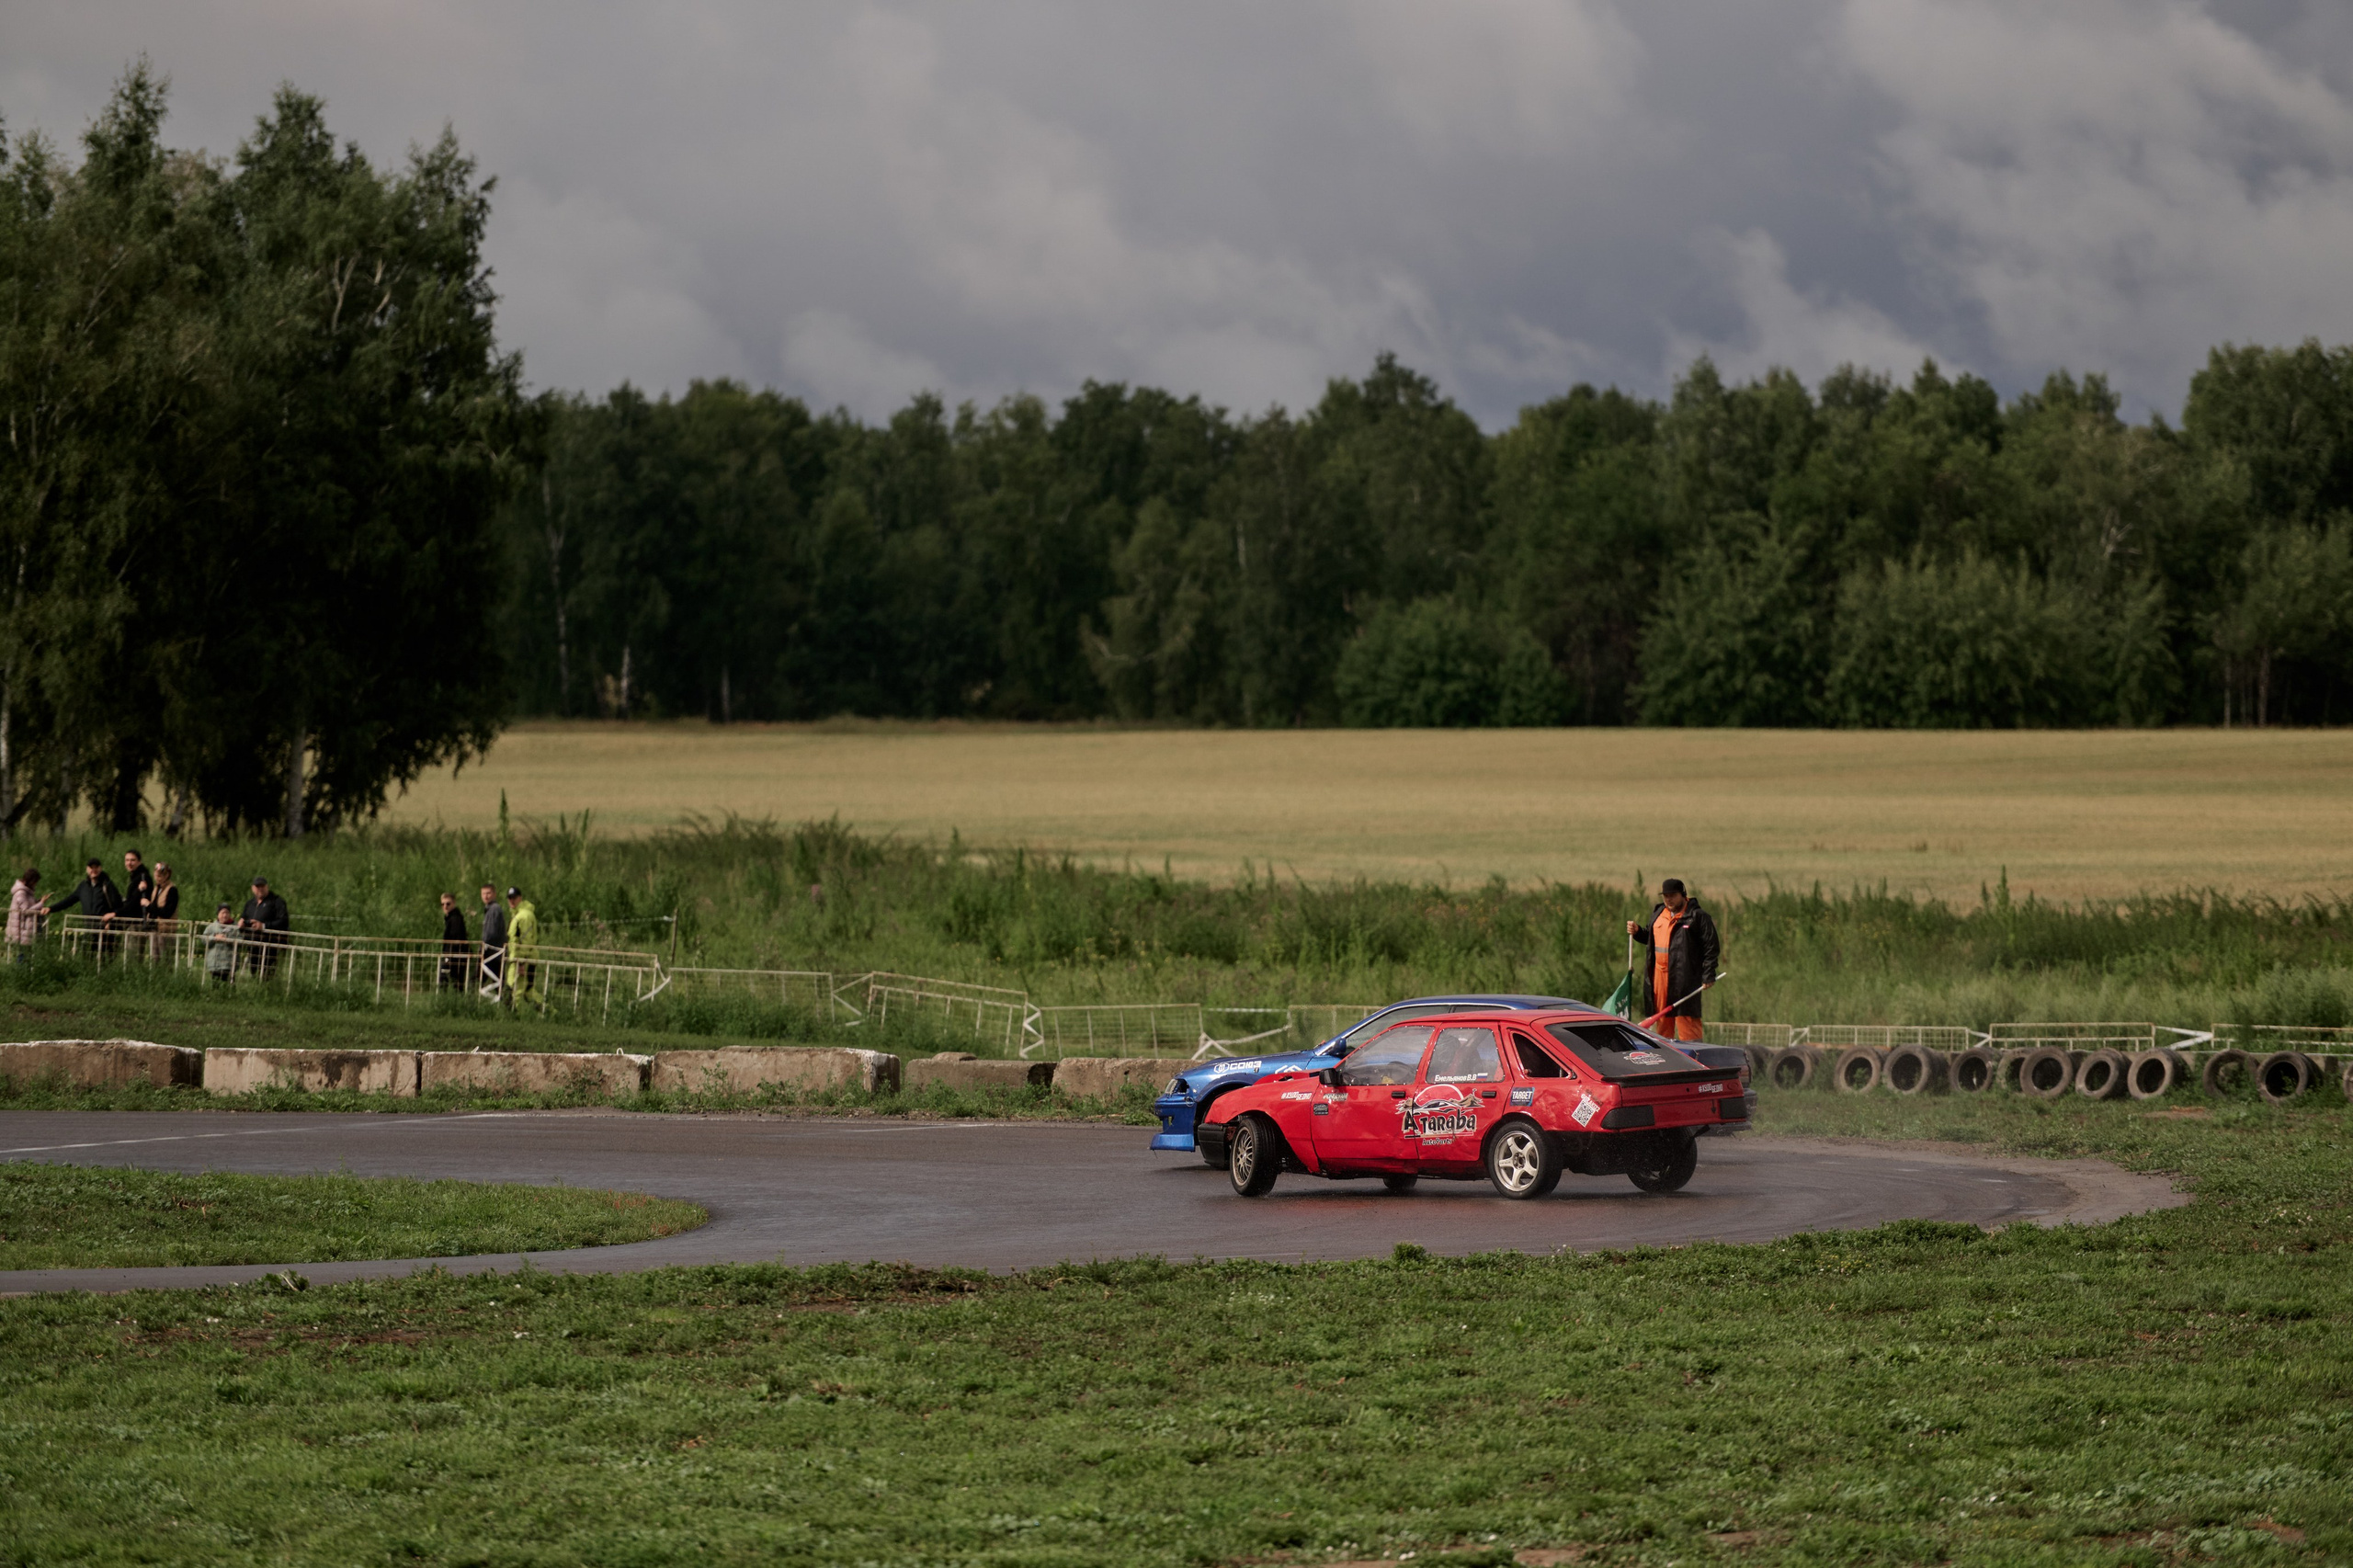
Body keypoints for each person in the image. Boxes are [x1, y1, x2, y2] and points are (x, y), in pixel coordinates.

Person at [1626, 878, 1721, 1042]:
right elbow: (1650, 937)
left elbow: (1711, 947)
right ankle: (1666, 1059)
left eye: (1673, 895)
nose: (1668, 899)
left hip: (1685, 979)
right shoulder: (1658, 914)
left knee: (1687, 1023)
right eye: (1666, 896)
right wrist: (1638, 932)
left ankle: (1695, 1059)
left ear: (1683, 895)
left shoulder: (1697, 917)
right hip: (1659, 979)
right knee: (1662, 1022)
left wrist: (1709, 973)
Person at [49, 859, 123, 958]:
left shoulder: (108, 885)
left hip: (105, 931)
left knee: (105, 960)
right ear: (87, 869)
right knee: (87, 958)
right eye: (91, 867)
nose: (94, 870)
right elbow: (69, 900)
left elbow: (118, 905)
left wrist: (111, 922)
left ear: (100, 868)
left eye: (96, 867)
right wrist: (51, 909)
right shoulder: (83, 886)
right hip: (88, 930)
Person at [241, 877, 290, 977]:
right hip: (253, 945)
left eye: (262, 886)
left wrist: (264, 926)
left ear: (267, 887)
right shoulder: (250, 904)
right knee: (254, 974)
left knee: (267, 975)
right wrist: (241, 923)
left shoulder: (277, 902)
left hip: (270, 945)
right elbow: (244, 917)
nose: (260, 889)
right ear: (252, 888)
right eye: (257, 886)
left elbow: (284, 921)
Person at [505, 885, 544, 1011]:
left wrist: (521, 962)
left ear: (520, 898)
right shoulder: (519, 914)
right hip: (521, 959)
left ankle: (515, 1017)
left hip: (522, 960)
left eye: (514, 898)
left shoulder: (524, 916)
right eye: (509, 898)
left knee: (515, 991)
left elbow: (525, 941)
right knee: (527, 992)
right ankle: (548, 1012)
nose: (511, 901)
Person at [477, 882, 508, 1000]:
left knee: (477, 979)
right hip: (493, 953)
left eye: (488, 893)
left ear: (494, 894)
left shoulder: (494, 909)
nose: (486, 896)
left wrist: (483, 946)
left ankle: (469, 1004)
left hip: (492, 952)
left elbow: (491, 932)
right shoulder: (489, 909)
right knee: (498, 982)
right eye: (483, 893)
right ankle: (509, 1006)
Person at [120, 849, 155, 949]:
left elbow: (135, 901)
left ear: (139, 862)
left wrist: (119, 912)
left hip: (137, 922)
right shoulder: (136, 876)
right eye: (127, 860)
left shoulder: (143, 877)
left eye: (132, 860)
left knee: (133, 954)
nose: (129, 863)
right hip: (134, 922)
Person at [145, 861, 180, 960]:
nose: (157, 878)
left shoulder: (172, 890)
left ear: (167, 875)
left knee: (165, 960)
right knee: (154, 959)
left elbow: (167, 912)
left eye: (160, 875)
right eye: (156, 875)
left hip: (166, 931)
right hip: (154, 929)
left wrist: (149, 906)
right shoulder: (156, 888)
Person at [7, 868, 42, 964]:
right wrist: (41, 903)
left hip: (26, 927)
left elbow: (29, 905)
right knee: (23, 953)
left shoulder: (27, 892)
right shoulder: (21, 893)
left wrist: (38, 902)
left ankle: (23, 971)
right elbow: (26, 910)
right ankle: (20, 972)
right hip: (22, 928)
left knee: (26, 953)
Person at [438, 892, 471, 991]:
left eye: (448, 904)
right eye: (443, 904)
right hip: (455, 956)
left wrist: (448, 957)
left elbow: (455, 939)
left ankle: (445, 1003)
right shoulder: (452, 918)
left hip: (454, 957)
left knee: (446, 982)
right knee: (456, 983)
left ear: (453, 903)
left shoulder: (455, 919)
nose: (445, 906)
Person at [202, 903, 239, 983]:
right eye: (223, 913)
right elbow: (204, 940)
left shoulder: (235, 927)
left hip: (229, 964)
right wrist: (215, 937)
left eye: (227, 913)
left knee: (229, 985)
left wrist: (228, 940)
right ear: (218, 914)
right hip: (214, 963)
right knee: (215, 984)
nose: (225, 915)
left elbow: (240, 940)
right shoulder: (211, 927)